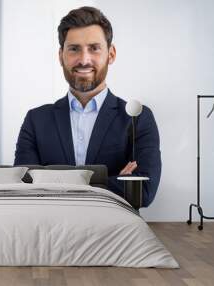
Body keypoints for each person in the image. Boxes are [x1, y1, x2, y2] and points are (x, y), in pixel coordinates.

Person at [14, 6, 161, 207]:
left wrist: (56, 182)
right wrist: (112, 180)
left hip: (112, 233)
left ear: (111, 54)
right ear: (61, 56)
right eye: (74, 49)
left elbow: (143, 192)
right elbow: (24, 188)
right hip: (50, 231)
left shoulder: (138, 118)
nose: (84, 60)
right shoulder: (36, 120)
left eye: (94, 48)